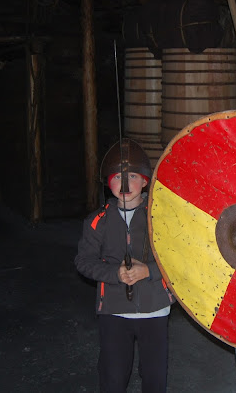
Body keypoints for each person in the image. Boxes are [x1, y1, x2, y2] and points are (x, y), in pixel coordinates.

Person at [75, 138, 175, 393]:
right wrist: (114, 273)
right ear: (108, 183)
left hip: (154, 310)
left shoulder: (160, 217)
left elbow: (177, 258)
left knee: (154, 378)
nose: (125, 184)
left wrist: (149, 271)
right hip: (114, 311)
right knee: (113, 376)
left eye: (132, 176)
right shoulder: (97, 221)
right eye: (118, 177)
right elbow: (84, 261)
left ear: (145, 181)